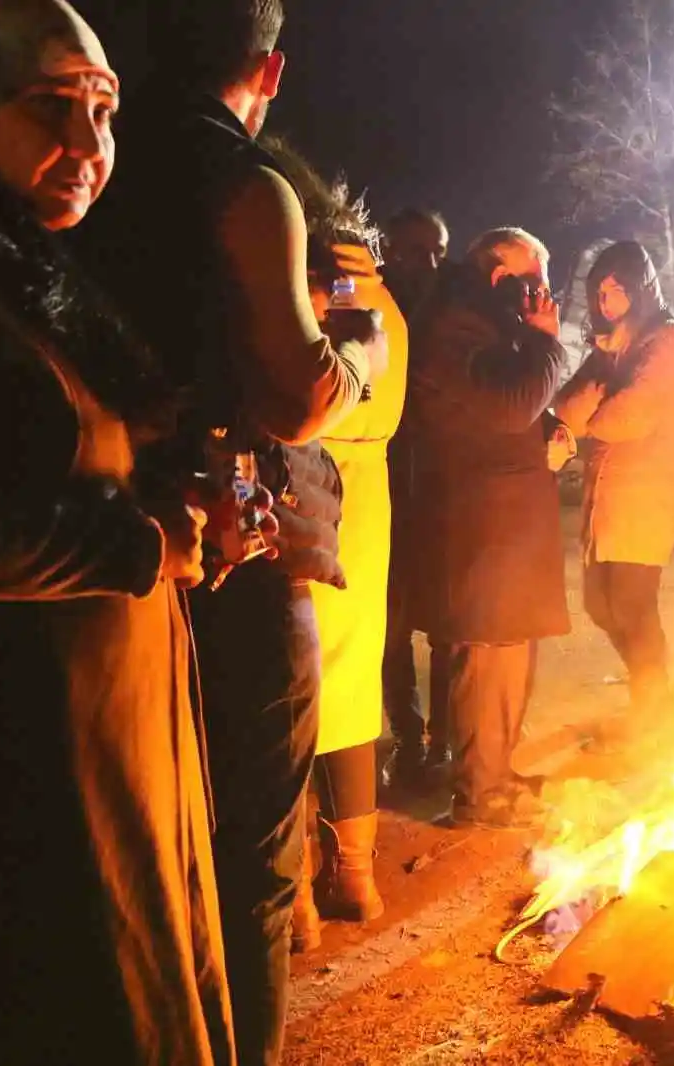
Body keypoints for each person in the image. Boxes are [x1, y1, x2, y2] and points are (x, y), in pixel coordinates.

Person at [0, 3, 233, 1062]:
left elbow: (83, 453)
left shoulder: (26, 256)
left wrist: (198, 510)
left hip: (117, 741)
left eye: (105, 111)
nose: (91, 147)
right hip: (20, 758)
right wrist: (137, 546)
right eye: (55, 108)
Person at [70, 2, 385, 1061]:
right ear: (271, 66)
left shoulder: (94, 166)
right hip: (231, 548)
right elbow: (299, 398)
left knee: (135, 852)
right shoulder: (248, 184)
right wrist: (360, 355)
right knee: (253, 856)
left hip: (100, 540)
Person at [261, 139, 408, 944]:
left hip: (311, 488)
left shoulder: (315, 295)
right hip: (373, 502)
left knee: (296, 695)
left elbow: (306, 389)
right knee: (354, 694)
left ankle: (303, 903)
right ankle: (359, 878)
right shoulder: (394, 307)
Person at [403, 227, 570, 828]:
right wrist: (548, 345)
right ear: (502, 276)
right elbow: (507, 406)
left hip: (505, 516)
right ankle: (478, 792)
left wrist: (548, 425)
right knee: (487, 656)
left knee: (509, 652)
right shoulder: (456, 320)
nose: (544, 294)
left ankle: (495, 772)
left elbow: (512, 403)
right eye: (537, 280)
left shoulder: (483, 318)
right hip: (481, 519)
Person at [555, 240, 674, 716]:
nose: (607, 301)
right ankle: (655, 696)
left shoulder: (668, 340)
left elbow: (631, 416)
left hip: (648, 495)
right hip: (608, 495)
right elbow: (566, 410)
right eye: (601, 292)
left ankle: (654, 713)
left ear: (641, 289)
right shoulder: (612, 348)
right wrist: (598, 393)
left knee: (633, 607)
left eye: (617, 290)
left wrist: (593, 415)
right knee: (600, 604)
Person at [381, 211, 452, 796]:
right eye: (412, 251)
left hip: (441, 489)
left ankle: (446, 738)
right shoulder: (368, 298)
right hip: (381, 491)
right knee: (390, 628)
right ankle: (407, 734)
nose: (425, 263)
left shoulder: (455, 306)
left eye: (436, 251)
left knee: (447, 624)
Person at [382, 205, 448, 321]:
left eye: (438, 252)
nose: (431, 264)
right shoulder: (359, 298)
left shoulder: (450, 309)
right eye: (418, 251)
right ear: (390, 252)